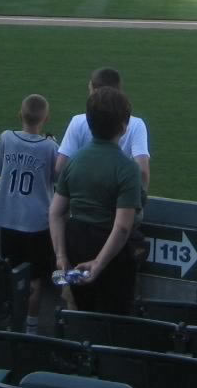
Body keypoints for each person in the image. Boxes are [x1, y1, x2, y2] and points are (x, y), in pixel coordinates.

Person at [50, 86, 144, 315]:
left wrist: (61, 256)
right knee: (113, 320)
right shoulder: (127, 168)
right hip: (111, 252)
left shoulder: (74, 161)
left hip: (75, 244)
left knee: (80, 314)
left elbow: (55, 212)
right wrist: (99, 263)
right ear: (123, 127)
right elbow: (122, 227)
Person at [0, 94, 59, 333]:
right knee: (35, 279)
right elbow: (58, 178)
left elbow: (0, 169)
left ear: (20, 115)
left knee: (11, 272)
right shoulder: (51, 147)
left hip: (8, 219)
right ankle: (31, 326)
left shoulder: (5, 138)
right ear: (46, 118)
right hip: (37, 224)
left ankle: (11, 321)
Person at [55, 68, 151, 194]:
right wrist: (137, 201)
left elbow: (60, 168)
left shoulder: (78, 122)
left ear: (95, 91)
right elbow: (143, 172)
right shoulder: (136, 125)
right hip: (118, 202)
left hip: (83, 200)